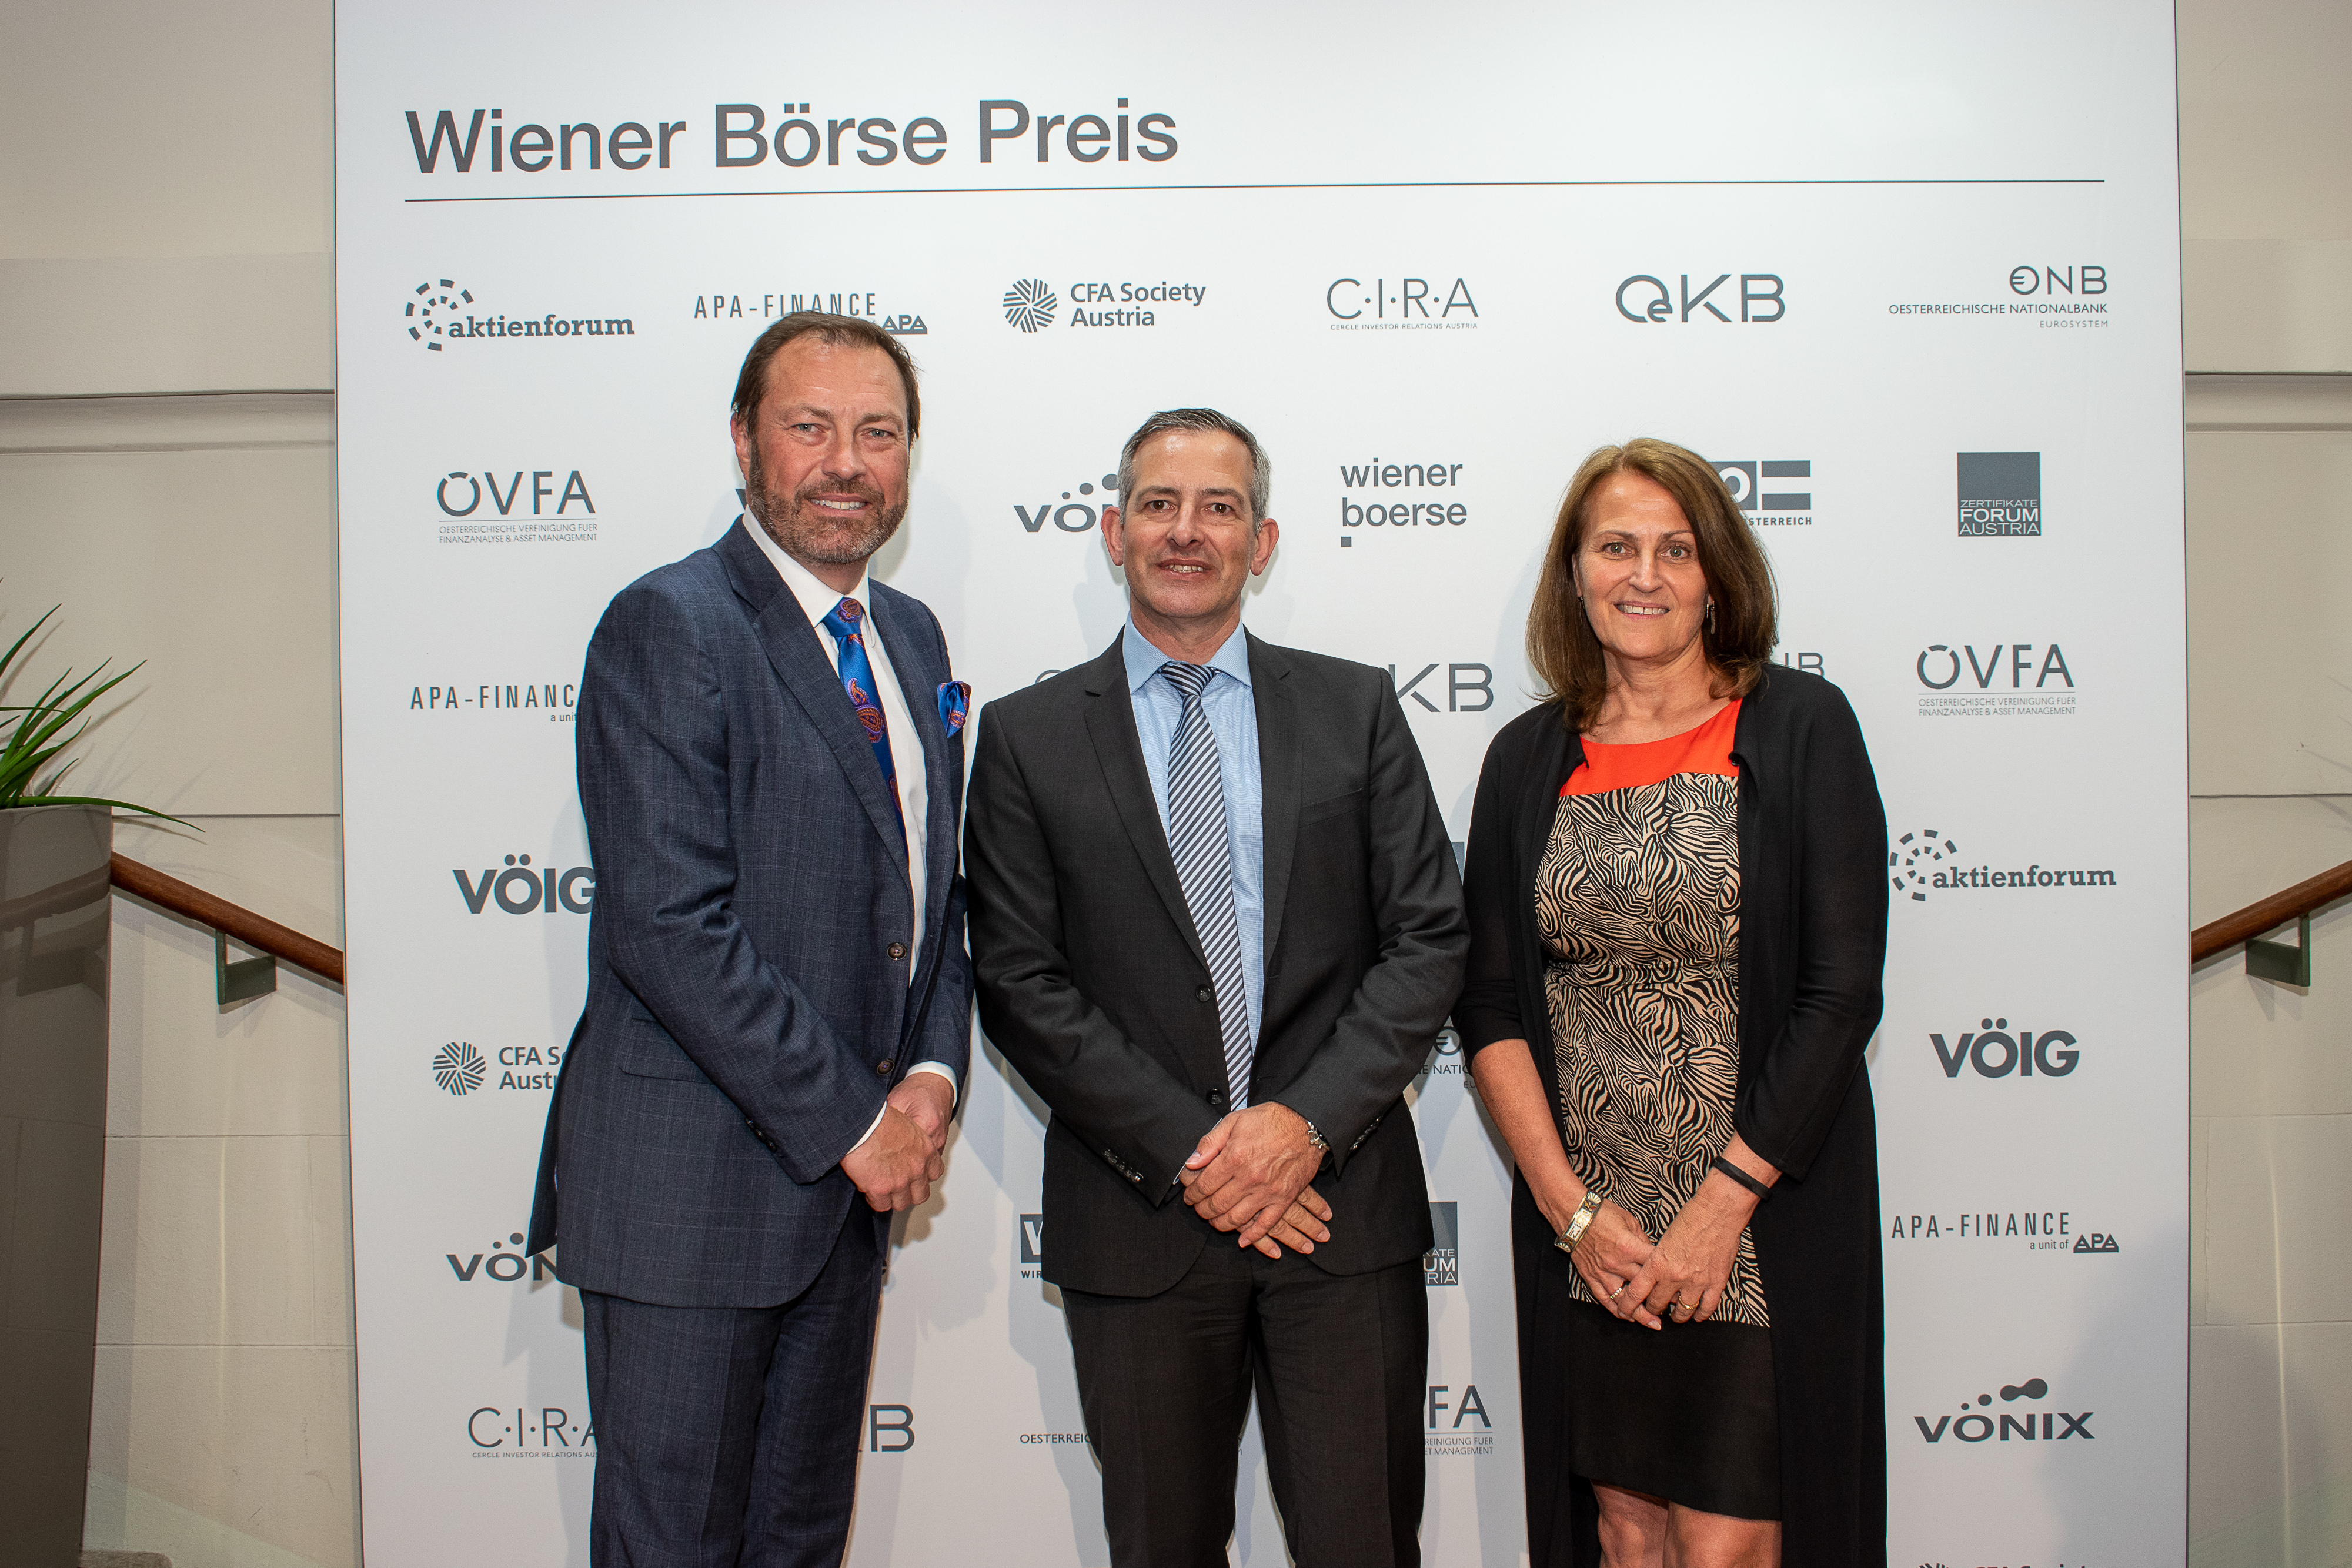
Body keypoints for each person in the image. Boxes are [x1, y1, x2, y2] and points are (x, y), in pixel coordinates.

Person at [964, 408, 1467, 1567]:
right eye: (1158, 504)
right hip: (1137, 1221)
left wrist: (1299, 1129)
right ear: (1113, 532)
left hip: (1337, 1212)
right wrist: (1204, 1155)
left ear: (1263, 540)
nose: (1184, 531)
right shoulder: (1028, 736)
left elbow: (1427, 938)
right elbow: (1019, 979)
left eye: (1218, 507)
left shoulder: (1354, 707)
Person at [524, 312, 973, 1568]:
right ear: (743, 440)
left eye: (877, 432)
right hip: (692, 1200)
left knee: (798, 1544)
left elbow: (932, 896)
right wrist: (857, 1120)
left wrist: (931, 1075)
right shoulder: (669, 622)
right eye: (809, 427)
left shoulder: (911, 637)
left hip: (839, 1209)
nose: (846, 463)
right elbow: (669, 925)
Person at [1457, 438, 1888, 1568]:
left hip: (1759, 1217)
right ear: (1575, 573)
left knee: (1726, 1543)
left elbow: (1841, 992)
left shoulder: (1800, 727)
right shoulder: (1525, 759)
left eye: (1675, 549)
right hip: (1595, 1228)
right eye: (1616, 547)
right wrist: (1574, 1214)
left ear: (1716, 577)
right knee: (1625, 1533)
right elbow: (1490, 1002)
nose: (1643, 575)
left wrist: (1719, 1212)